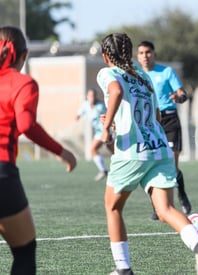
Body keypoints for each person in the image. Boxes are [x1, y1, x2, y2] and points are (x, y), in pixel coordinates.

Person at [97, 32, 198, 275]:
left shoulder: (108, 72)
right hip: (159, 150)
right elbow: (156, 117)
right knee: (165, 210)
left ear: (106, 56)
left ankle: (123, 269)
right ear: (130, 54)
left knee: (113, 208)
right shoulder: (144, 79)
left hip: (133, 152)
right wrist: (120, 119)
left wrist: (107, 126)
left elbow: (116, 92)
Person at [0, 26, 77, 274]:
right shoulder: (23, 84)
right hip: (2, 173)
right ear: (25, 55)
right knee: (24, 251)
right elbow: (25, 124)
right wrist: (61, 151)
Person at [136, 41, 191, 220]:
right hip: (148, 122)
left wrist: (179, 97)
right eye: (141, 53)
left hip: (168, 120)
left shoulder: (166, 72)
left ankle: (181, 194)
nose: (145, 56)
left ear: (154, 54)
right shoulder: (135, 75)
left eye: (148, 52)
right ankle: (157, 207)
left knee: (172, 166)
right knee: (150, 165)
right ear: (137, 56)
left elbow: (183, 94)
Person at [76, 88, 113, 181]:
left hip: (105, 131)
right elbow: (78, 114)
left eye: (93, 96)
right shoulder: (85, 105)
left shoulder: (100, 106)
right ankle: (104, 170)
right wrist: (77, 117)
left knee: (94, 149)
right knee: (109, 150)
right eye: (90, 96)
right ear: (87, 97)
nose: (92, 98)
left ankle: (104, 170)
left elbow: (109, 116)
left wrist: (108, 129)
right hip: (98, 133)